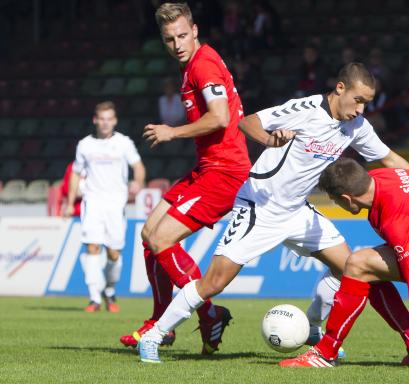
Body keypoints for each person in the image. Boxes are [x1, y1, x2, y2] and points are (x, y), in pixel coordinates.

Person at [137, 62, 409, 363]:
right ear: (340, 88)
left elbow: (388, 157)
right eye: (358, 100)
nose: (361, 109)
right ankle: (154, 335)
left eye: (367, 103)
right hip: (260, 207)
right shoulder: (306, 108)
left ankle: (311, 328)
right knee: (214, 282)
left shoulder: (356, 127)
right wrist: (271, 139)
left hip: (298, 212)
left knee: (349, 267)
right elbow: (247, 122)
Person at [118, 2, 252, 354]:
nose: (176, 44)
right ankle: (161, 319)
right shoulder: (194, 63)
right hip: (207, 168)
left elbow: (220, 117)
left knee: (161, 239)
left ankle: (207, 314)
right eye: (168, 39)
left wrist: (171, 132)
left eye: (181, 36)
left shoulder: (203, 65)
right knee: (149, 235)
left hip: (225, 173)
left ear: (194, 31)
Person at [280, 158, 409, 369]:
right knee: (366, 269)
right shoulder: (378, 179)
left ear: (347, 199)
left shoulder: (397, 217)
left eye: (334, 200)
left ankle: (324, 353)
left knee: (359, 264)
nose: (335, 204)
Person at [64, 101, 146, 313]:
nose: (105, 123)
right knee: (92, 247)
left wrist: (138, 182)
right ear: (95, 120)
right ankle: (94, 298)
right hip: (92, 202)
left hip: (115, 203)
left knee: (113, 253)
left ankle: (109, 289)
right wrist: (69, 201)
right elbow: (76, 172)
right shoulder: (85, 145)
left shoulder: (123, 143)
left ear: (115, 121)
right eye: (102, 119)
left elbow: (138, 166)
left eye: (109, 119)